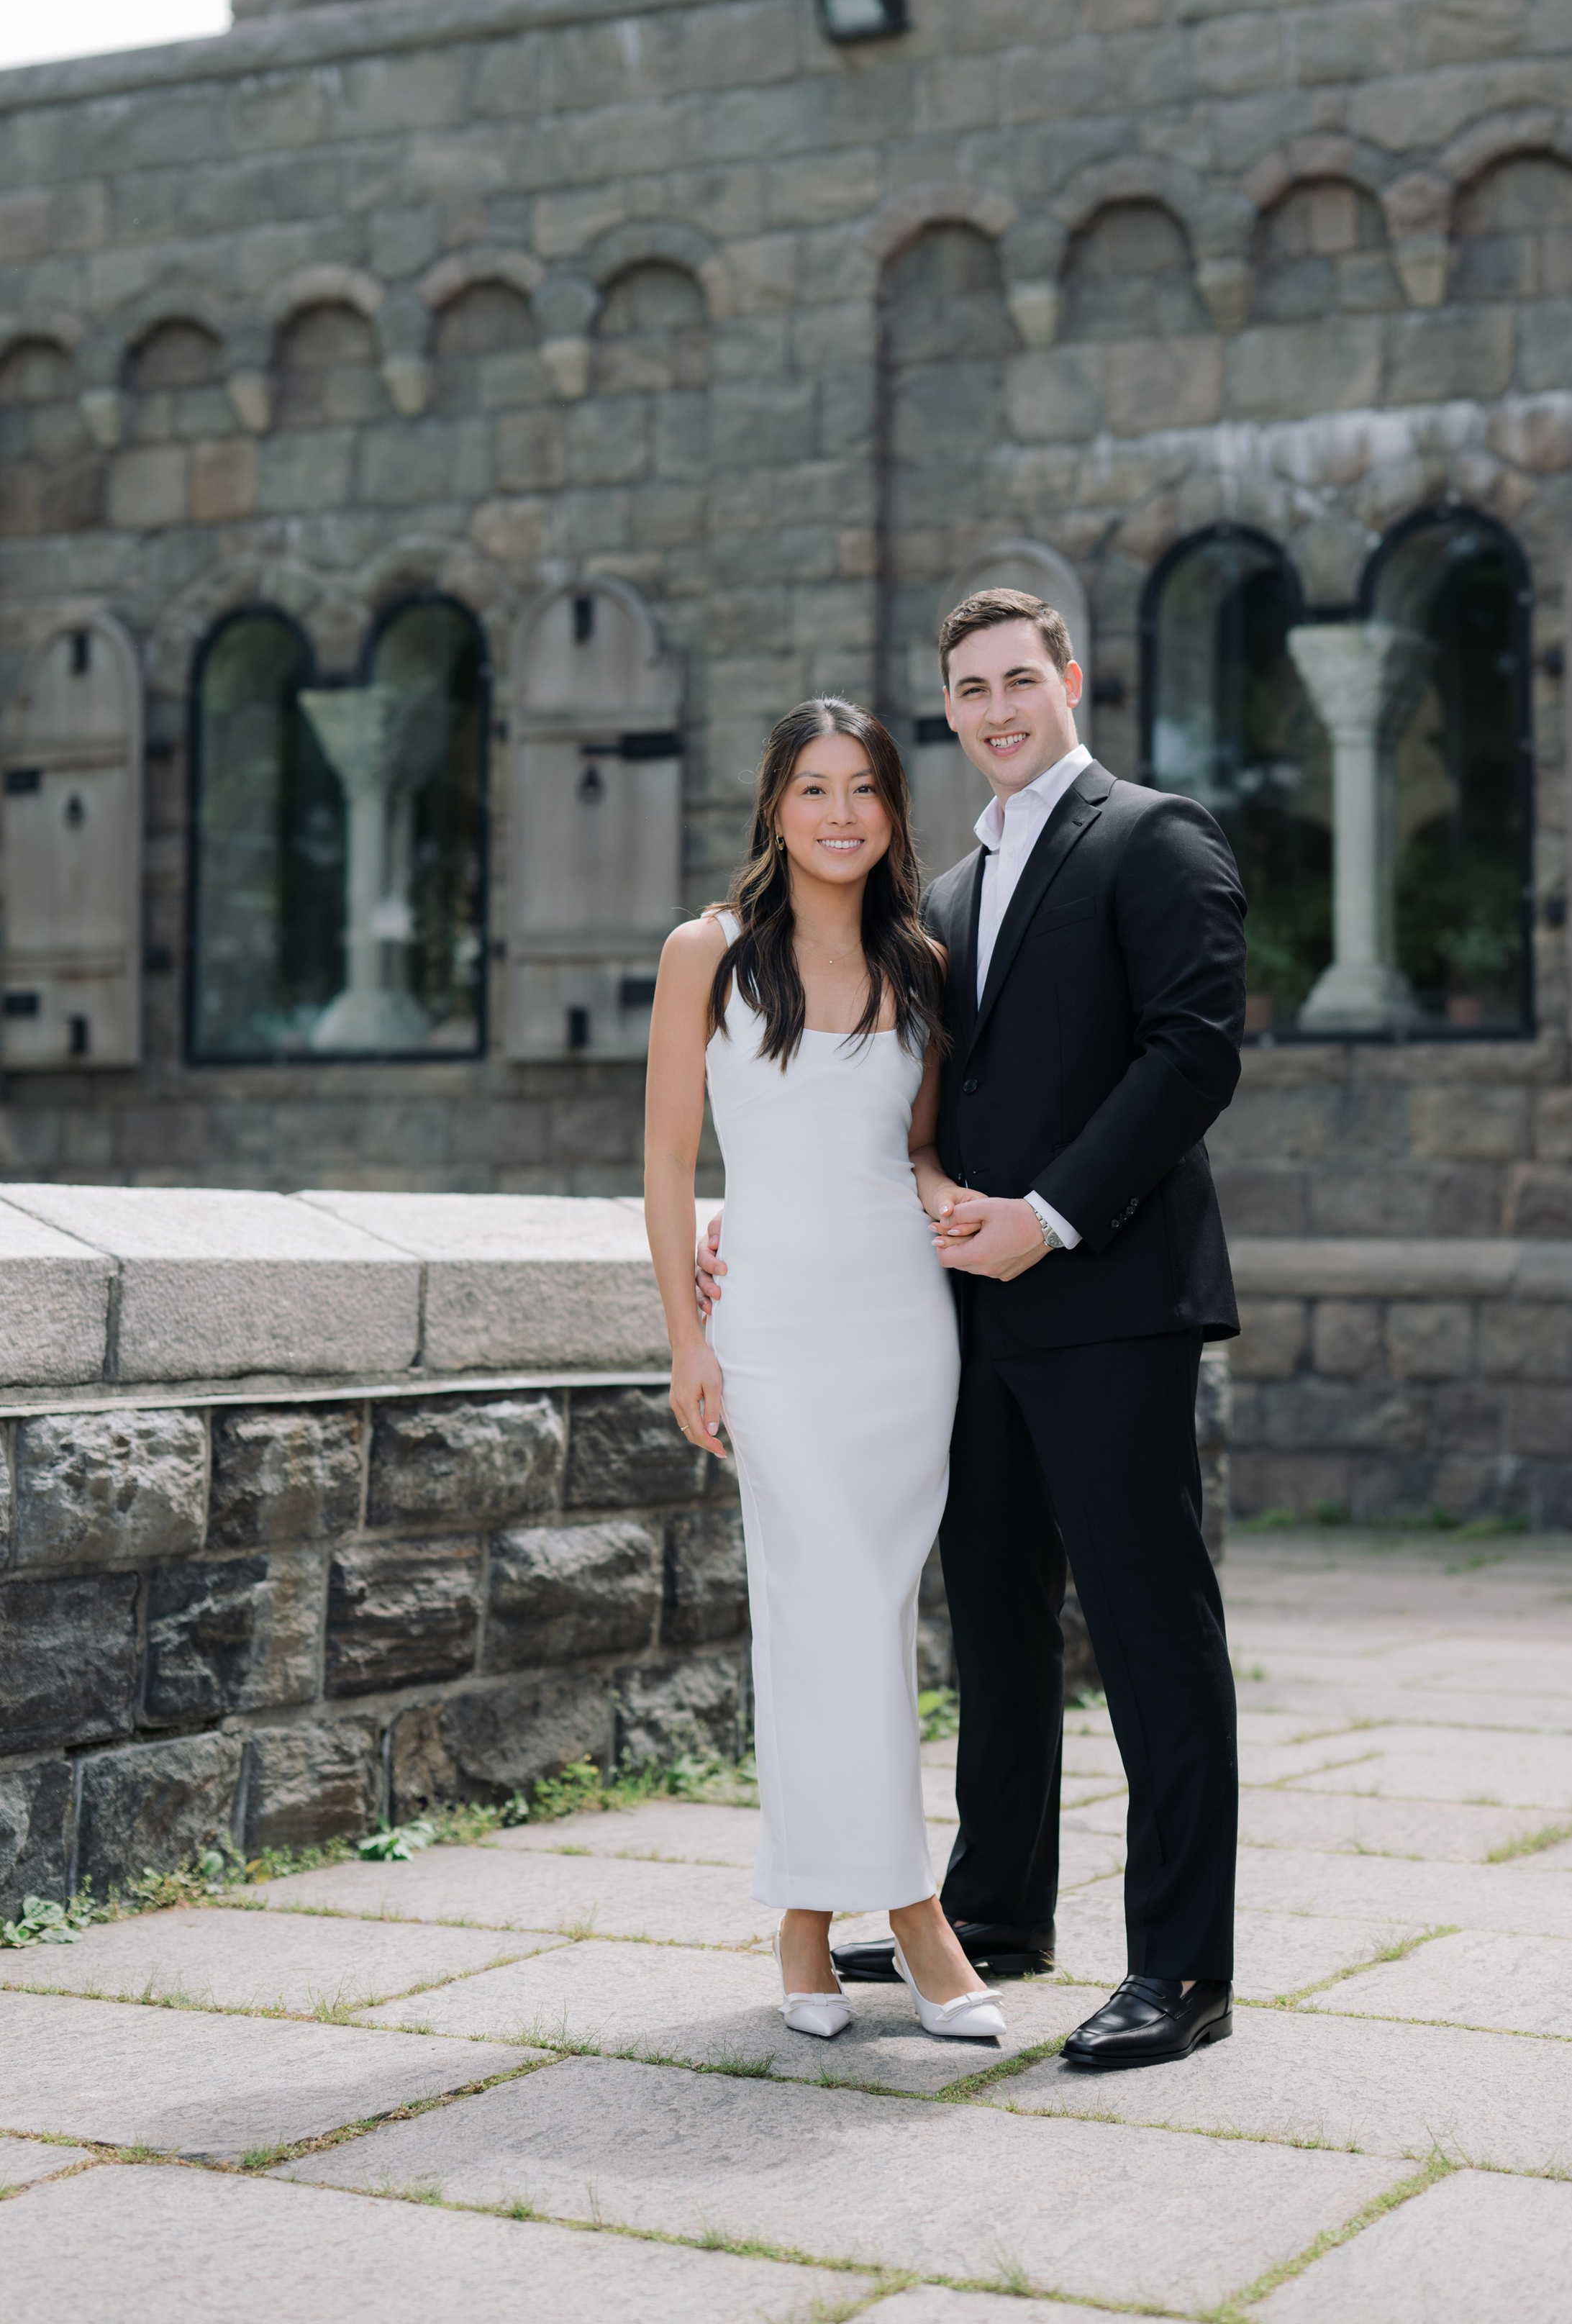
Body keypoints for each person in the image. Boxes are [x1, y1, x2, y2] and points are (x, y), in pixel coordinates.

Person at [704, 590, 1245, 2069]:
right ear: (949, 710)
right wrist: (768, 1212)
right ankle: (998, 1908)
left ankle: (1183, 1969)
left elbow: (1192, 1051)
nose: (998, 707)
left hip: (1108, 1299)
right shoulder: (932, 903)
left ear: (1068, 680)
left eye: (1021, 678)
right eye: (970, 689)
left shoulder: (1153, 835)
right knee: (995, 1626)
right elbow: (910, 1112)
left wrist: (1048, 1214)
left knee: (1147, 1632)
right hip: (955, 1317)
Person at [645, 696, 1005, 2045]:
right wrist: (688, 1337)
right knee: (839, 1603)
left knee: (840, 1614)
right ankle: (917, 1917)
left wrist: (948, 1197)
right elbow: (671, 1160)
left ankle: (804, 1926)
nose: (840, 813)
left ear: (894, 811)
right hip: (775, 1331)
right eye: (813, 788)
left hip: (902, 1331)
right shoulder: (710, 954)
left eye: (864, 790)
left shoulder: (923, 961)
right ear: (774, 807)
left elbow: (904, 1147)